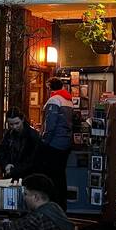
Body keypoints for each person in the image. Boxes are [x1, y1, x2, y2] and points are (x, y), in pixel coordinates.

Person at [41, 77, 74, 209]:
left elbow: (50, 125)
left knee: (52, 176)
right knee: (60, 175)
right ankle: (62, 205)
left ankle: (53, 205)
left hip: (54, 143)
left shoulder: (54, 100)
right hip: (66, 143)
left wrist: (44, 142)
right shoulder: (68, 100)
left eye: (47, 88)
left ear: (50, 87)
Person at [0, 107, 40, 180]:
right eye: (11, 124)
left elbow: (33, 160)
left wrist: (13, 169)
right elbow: (1, 151)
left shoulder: (32, 135)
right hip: (11, 173)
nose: (14, 127)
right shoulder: (9, 133)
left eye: (17, 123)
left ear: (22, 119)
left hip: (27, 176)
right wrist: (6, 165)